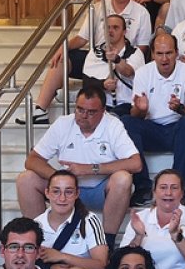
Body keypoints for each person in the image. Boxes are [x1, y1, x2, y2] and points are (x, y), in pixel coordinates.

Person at [16, 86, 142, 250]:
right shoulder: (63, 124)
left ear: (103, 111)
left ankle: (106, 243)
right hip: (66, 190)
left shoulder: (112, 124)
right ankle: (38, 239)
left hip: (99, 191)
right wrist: (59, 178)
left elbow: (136, 163)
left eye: (90, 112)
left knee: (123, 178)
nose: (83, 116)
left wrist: (90, 168)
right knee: (26, 179)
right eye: (80, 109)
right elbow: (32, 160)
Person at [25, 0, 153, 125]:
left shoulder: (141, 13)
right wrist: (61, 47)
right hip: (97, 58)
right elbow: (81, 38)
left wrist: (122, 62)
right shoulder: (98, 8)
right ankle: (40, 110)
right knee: (62, 57)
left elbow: (142, 47)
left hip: (124, 61)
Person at [126, 32, 185, 200]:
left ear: (176, 52)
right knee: (127, 122)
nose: (164, 58)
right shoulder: (143, 72)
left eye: (169, 53)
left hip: (178, 130)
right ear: (153, 54)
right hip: (152, 130)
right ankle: (143, 187)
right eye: (159, 54)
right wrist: (141, 109)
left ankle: (178, 186)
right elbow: (135, 114)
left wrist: (181, 109)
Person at [35, 170, 108, 269]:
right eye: (56, 191)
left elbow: (101, 266)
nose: (62, 198)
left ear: (77, 194)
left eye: (68, 192)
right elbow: (26, 263)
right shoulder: (36, 225)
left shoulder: (89, 220)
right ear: (47, 193)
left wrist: (62, 256)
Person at [80, 14, 145, 114]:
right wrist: (103, 85)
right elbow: (87, 83)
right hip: (100, 106)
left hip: (126, 105)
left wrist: (116, 59)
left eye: (115, 27)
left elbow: (129, 72)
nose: (110, 31)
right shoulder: (95, 53)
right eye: (107, 27)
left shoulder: (135, 52)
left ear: (124, 32)